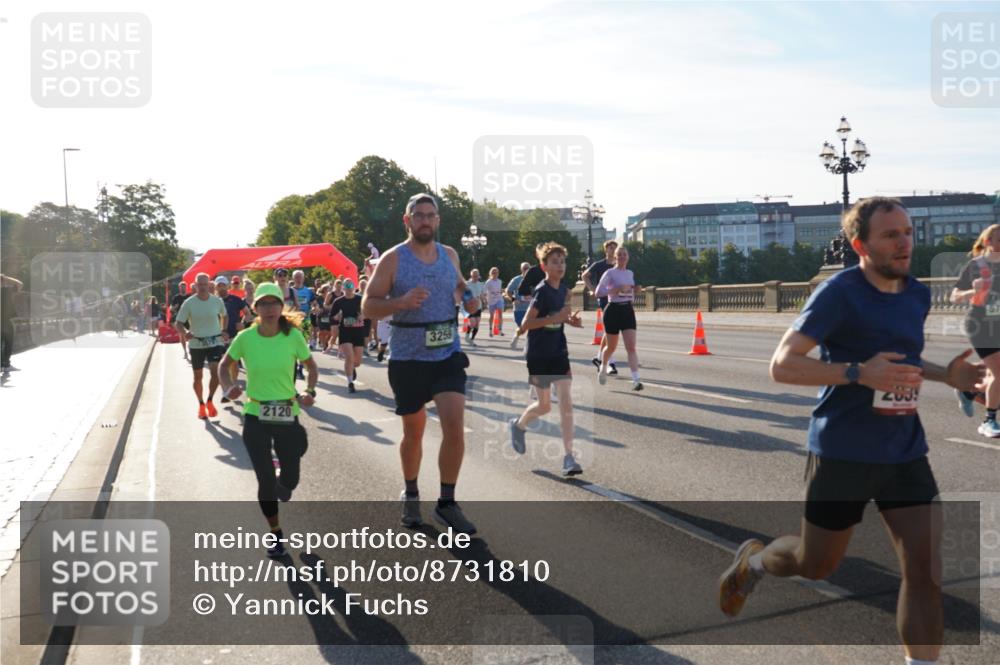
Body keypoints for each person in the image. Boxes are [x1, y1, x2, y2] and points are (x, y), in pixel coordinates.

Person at [718, 197, 985, 665]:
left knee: (925, 571)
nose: (905, 242)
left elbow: (901, 361)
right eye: (890, 234)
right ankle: (755, 562)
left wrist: (949, 376)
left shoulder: (916, 293)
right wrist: (859, 374)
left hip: (904, 450)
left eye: (907, 231)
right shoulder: (839, 292)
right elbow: (783, 365)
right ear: (861, 244)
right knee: (815, 565)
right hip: (843, 449)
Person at [362, 192, 479, 535]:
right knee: (413, 432)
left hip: (447, 354)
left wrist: (471, 301)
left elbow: (460, 286)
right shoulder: (393, 259)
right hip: (408, 357)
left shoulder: (450, 254)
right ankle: (411, 492)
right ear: (408, 220)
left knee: (454, 425)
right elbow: (369, 305)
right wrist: (399, 302)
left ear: (438, 220)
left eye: (431, 215)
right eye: (419, 215)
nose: (425, 221)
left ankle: (447, 503)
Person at [219, 282, 317, 558]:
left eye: (275, 303)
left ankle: (283, 481)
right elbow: (225, 364)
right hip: (255, 413)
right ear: (256, 309)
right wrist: (228, 388)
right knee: (264, 480)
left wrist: (309, 391)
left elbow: (311, 366)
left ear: (281, 306)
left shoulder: (292, 336)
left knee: (290, 479)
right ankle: (275, 534)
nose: (270, 308)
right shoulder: (246, 338)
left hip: (287, 411)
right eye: (264, 304)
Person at [508, 243, 584, 476]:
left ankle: (569, 458)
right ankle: (519, 425)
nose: (560, 265)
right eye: (554, 262)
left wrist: (569, 320)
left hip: (558, 350)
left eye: (562, 261)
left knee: (566, 403)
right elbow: (526, 325)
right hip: (539, 353)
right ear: (544, 266)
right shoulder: (541, 291)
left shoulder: (564, 290)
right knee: (544, 406)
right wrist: (557, 317)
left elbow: (559, 317)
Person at [950, 224, 1000, 436]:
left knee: (995, 372)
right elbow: (953, 297)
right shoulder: (977, 265)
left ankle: (969, 390)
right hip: (980, 324)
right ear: (988, 242)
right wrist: (973, 290)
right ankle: (989, 420)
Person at [174, 273, 229, 419]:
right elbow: (178, 322)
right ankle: (201, 404)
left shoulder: (216, 301)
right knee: (198, 376)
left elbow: (225, 315)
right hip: (196, 343)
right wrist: (185, 332)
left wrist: (223, 330)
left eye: (206, 284)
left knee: (215, 370)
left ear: (209, 285)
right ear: (196, 286)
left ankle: (210, 400)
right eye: (200, 284)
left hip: (214, 341)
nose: (203, 287)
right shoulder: (189, 303)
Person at [595, 246, 643, 391]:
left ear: (628, 257)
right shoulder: (610, 272)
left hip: (627, 310)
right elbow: (598, 292)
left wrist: (635, 290)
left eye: (624, 255)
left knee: (631, 347)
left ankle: (636, 380)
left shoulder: (630, 273)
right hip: (613, 310)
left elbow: (629, 292)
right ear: (615, 257)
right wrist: (616, 290)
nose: (622, 257)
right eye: (619, 255)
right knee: (611, 347)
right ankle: (603, 367)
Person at [583, 240, 620, 375]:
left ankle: (599, 358)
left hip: (618, 300)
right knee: (611, 330)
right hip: (605, 299)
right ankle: (610, 363)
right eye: (610, 248)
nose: (612, 249)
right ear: (606, 250)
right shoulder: (599, 265)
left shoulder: (619, 265)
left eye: (614, 248)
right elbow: (584, 276)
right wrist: (593, 289)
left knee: (611, 331)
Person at [216, 276, 251, 404]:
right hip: (217, 337)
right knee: (220, 364)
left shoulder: (236, 300)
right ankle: (226, 389)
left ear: (227, 286)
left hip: (233, 335)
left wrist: (242, 323)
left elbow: (248, 313)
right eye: (218, 285)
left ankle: (232, 385)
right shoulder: (213, 301)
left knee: (233, 364)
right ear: (216, 287)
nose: (221, 288)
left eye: (223, 285)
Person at [330, 279, 366, 394]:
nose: (349, 288)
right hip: (345, 331)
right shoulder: (338, 301)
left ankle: (352, 368)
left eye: (351, 285)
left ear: (354, 287)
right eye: (347, 286)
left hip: (358, 331)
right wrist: (337, 317)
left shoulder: (360, 299)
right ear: (343, 288)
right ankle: (350, 383)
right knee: (349, 357)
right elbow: (332, 317)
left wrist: (363, 316)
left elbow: (368, 312)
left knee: (358, 361)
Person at [506, 262, 531, 350]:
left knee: (530, 328)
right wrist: (513, 299)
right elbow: (508, 291)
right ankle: (515, 338)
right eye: (524, 268)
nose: (526, 270)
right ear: (521, 270)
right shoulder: (516, 280)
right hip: (519, 308)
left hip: (530, 308)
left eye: (528, 268)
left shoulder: (534, 280)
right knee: (522, 327)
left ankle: (528, 346)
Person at [1, 274, 24, 372]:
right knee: (8, 342)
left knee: (6, 342)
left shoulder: (6, 290)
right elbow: (20, 284)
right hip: (5, 322)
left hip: (5, 321)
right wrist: (6, 278)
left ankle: (4, 365)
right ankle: (5, 365)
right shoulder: (6, 291)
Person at [170, 282, 191, 360]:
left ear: (186, 288)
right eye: (181, 287)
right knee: (182, 335)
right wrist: (174, 307)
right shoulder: (176, 297)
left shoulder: (189, 296)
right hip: (180, 319)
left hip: (189, 318)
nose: (183, 288)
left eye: (184, 287)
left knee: (190, 334)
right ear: (179, 288)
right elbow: (171, 309)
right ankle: (185, 351)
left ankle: (190, 348)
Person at [464, 269, 485, 346]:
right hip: (470, 307)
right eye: (474, 276)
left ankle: (472, 339)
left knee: (477, 323)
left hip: (478, 306)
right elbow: (464, 295)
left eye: (477, 276)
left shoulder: (480, 284)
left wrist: (484, 300)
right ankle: (467, 335)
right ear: (471, 276)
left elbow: (482, 294)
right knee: (473, 323)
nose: (475, 277)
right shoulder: (467, 284)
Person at [484, 267, 505, 337]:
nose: (495, 274)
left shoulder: (500, 281)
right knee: (491, 316)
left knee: (500, 313)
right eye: (493, 273)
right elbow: (484, 291)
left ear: (498, 274)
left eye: (496, 273)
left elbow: (500, 290)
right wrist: (484, 299)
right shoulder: (488, 282)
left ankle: (500, 330)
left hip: (499, 299)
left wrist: (502, 292)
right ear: (490, 274)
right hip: (491, 301)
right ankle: (490, 330)